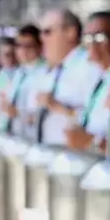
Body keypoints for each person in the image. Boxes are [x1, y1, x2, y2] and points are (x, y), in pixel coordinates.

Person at [21, 9, 100, 146]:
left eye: (47, 32)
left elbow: (100, 119)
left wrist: (62, 108)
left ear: (70, 32)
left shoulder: (90, 66)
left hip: (78, 158)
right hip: (51, 156)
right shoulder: (56, 70)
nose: (42, 39)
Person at [66, 11, 110, 153]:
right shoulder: (101, 75)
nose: (93, 44)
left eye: (100, 37)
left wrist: (92, 142)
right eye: (88, 38)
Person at [0, 25, 42, 137]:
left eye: (28, 46)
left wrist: (18, 113)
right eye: (19, 46)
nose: (23, 51)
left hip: (33, 137)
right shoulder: (19, 73)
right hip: (15, 135)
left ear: (39, 47)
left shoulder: (44, 73)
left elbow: (42, 114)